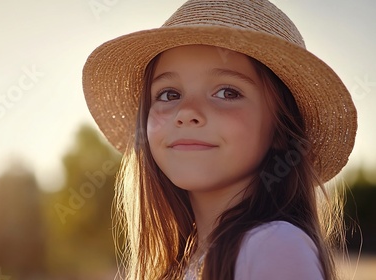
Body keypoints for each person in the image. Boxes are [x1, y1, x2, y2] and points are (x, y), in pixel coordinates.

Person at [82, 0, 357, 279]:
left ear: (280, 131)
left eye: (227, 92)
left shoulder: (273, 246)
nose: (187, 112)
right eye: (169, 94)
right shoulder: (185, 264)